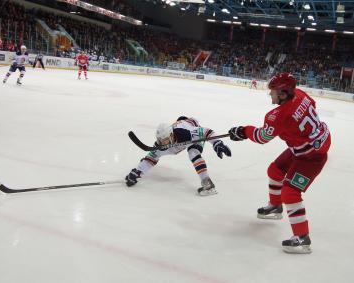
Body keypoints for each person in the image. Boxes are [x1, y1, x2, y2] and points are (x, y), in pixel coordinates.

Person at [228, 72, 331, 254]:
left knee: (290, 192)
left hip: (311, 155)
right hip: (308, 144)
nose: (270, 95)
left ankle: (302, 238)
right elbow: (312, 107)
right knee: (274, 170)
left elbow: (262, 137)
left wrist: (243, 131)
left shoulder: (278, 115)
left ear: (283, 93)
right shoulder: (300, 94)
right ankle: (275, 207)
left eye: (273, 92)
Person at [125, 116, 232, 196]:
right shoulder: (161, 144)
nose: (163, 143)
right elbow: (151, 158)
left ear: (171, 135)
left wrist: (217, 143)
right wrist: (137, 172)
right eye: (160, 140)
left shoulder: (185, 133)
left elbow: (207, 132)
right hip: (182, 123)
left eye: (165, 140)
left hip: (191, 127)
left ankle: (207, 184)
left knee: (193, 152)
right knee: (162, 152)